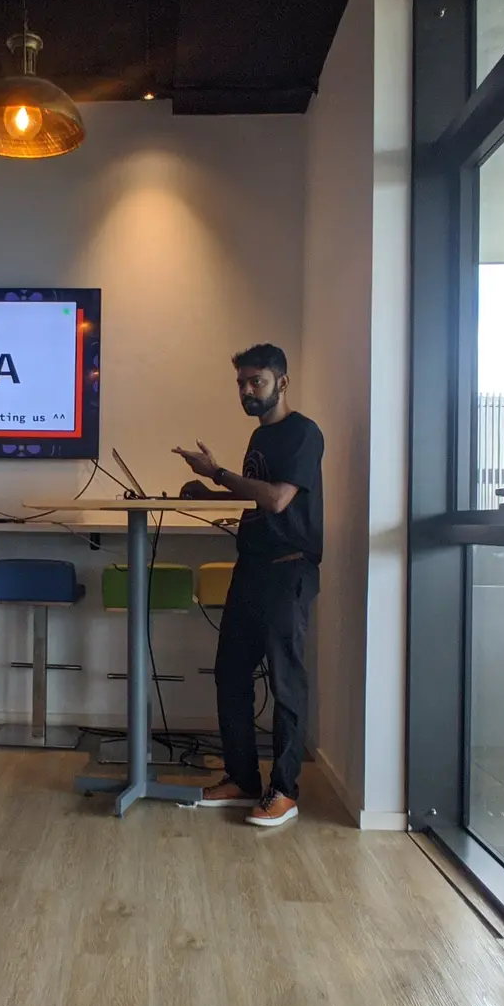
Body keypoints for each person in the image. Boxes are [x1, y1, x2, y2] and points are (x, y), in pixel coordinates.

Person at [174, 343, 323, 828]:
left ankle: (285, 791)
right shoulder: (259, 437)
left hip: (288, 569)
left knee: (285, 683)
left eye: (255, 381)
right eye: (241, 383)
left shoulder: (303, 433)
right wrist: (210, 490)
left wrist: (219, 473)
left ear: (282, 382)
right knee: (231, 673)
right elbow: (258, 499)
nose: (246, 390)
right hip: (253, 566)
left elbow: (277, 500)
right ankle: (242, 779)